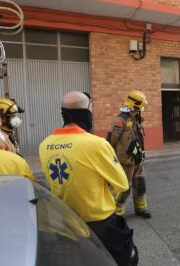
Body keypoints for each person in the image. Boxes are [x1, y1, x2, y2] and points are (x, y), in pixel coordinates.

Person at [39, 91, 138, 266]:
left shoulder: (44, 145)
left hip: (65, 221)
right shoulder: (96, 144)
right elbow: (122, 183)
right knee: (127, 259)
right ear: (86, 113)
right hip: (100, 223)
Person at [107, 90, 151, 219]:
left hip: (138, 158)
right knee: (124, 188)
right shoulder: (121, 119)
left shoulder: (136, 117)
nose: (143, 108)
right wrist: (109, 156)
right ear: (135, 104)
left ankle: (141, 209)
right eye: (141, 105)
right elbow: (112, 140)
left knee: (140, 185)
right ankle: (118, 213)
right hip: (125, 160)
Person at [0, 107, 36, 181]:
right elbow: (31, 187)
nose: (17, 119)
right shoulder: (15, 162)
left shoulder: (8, 134)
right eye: (13, 116)